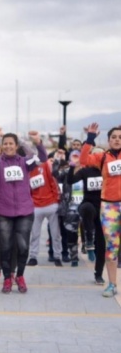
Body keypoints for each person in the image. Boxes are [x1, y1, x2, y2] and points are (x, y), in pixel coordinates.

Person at [0, 127, 47, 294]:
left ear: (16, 145)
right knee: (5, 247)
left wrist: (34, 142)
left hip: (24, 211)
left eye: (11, 144)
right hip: (2, 211)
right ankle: (6, 278)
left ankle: (19, 276)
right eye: (5, 144)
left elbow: (42, 157)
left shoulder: (24, 162)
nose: (8, 146)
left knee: (23, 246)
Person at [80, 122, 121, 297]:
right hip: (109, 206)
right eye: (114, 137)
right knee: (111, 248)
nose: (117, 140)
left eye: (120, 137)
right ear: (108, 140)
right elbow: (83, 160)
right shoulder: (103, 157)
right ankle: (112, 284)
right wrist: (90, 138)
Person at [67, 147, 105, 284]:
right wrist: (72, 166)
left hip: (104, 207)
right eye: (94, 153)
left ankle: (98, 274)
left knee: (102, 243)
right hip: (87, 204)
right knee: (87, 208)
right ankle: (89, 240)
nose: (96, 156)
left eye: (99, 154)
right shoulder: (85, 171)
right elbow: (70, 180)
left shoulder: (107, 170)